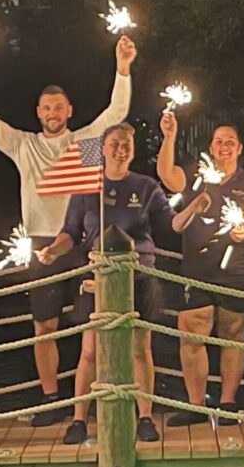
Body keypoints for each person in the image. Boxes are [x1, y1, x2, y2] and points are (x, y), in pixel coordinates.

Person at [0, 36, 137, 426]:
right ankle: (51, 399)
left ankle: (89, 401)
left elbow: (117, 113)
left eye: (59, 106)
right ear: (38, 112)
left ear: (69, 110)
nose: (53, 112)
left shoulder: (87, 143)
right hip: (41, 243)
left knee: (91, 325)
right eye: (46, 107)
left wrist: (123, 68)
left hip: (81, 243)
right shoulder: (23, 145)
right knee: (44, 326)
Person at [35, 124, 175, 445]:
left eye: (126, 144)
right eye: (113, 143)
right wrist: (52, 250)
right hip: (96, 275)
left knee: (141, 350)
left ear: (133, 149)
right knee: (89, 352)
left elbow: (170, 225)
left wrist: (194, 209)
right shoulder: (88, 186)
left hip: (138, 276)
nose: (120, 149)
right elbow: (71, 232)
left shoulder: (146, 185)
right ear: (103, 148)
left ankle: (144, 417)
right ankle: (80, 420)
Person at [155, 112, 244, 426]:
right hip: (197, 269)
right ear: (211, 147)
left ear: (240, 148)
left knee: (233, 334)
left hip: (237, 271)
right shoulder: (195, 175)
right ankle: (196, 405)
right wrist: (169, 135)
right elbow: (165, 174)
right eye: (219, 141)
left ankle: (228, 404)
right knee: (191, 334)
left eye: (231, 141)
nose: (225, 146)